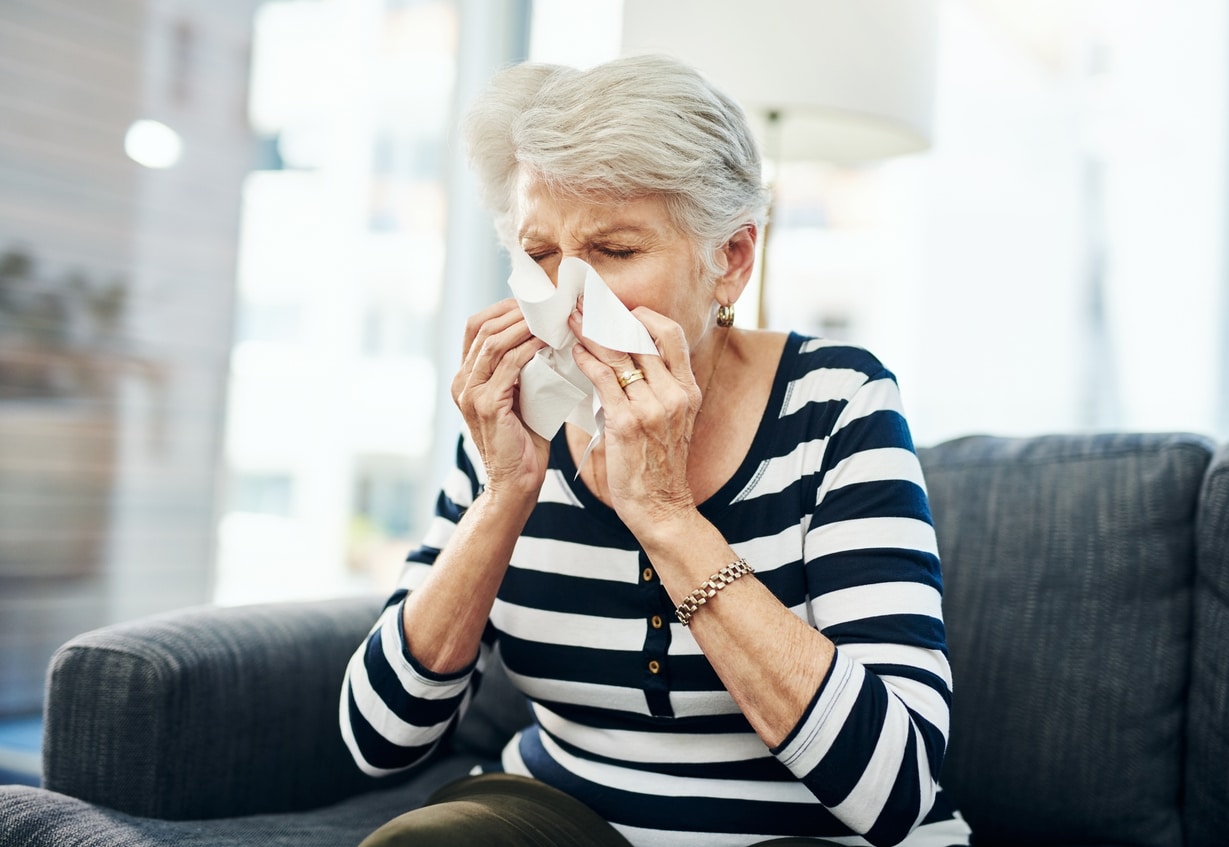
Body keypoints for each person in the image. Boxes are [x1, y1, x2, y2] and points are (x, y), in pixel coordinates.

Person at [341, 54, 970, 847]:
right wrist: (504, 490)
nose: (567, 303)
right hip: (561, 817)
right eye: (541, 257)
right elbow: (379, 738)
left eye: (613, 250)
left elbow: (895, 789)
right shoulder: (519, 415)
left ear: (730, 261)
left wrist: (666, 515)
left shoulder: (838, 401)